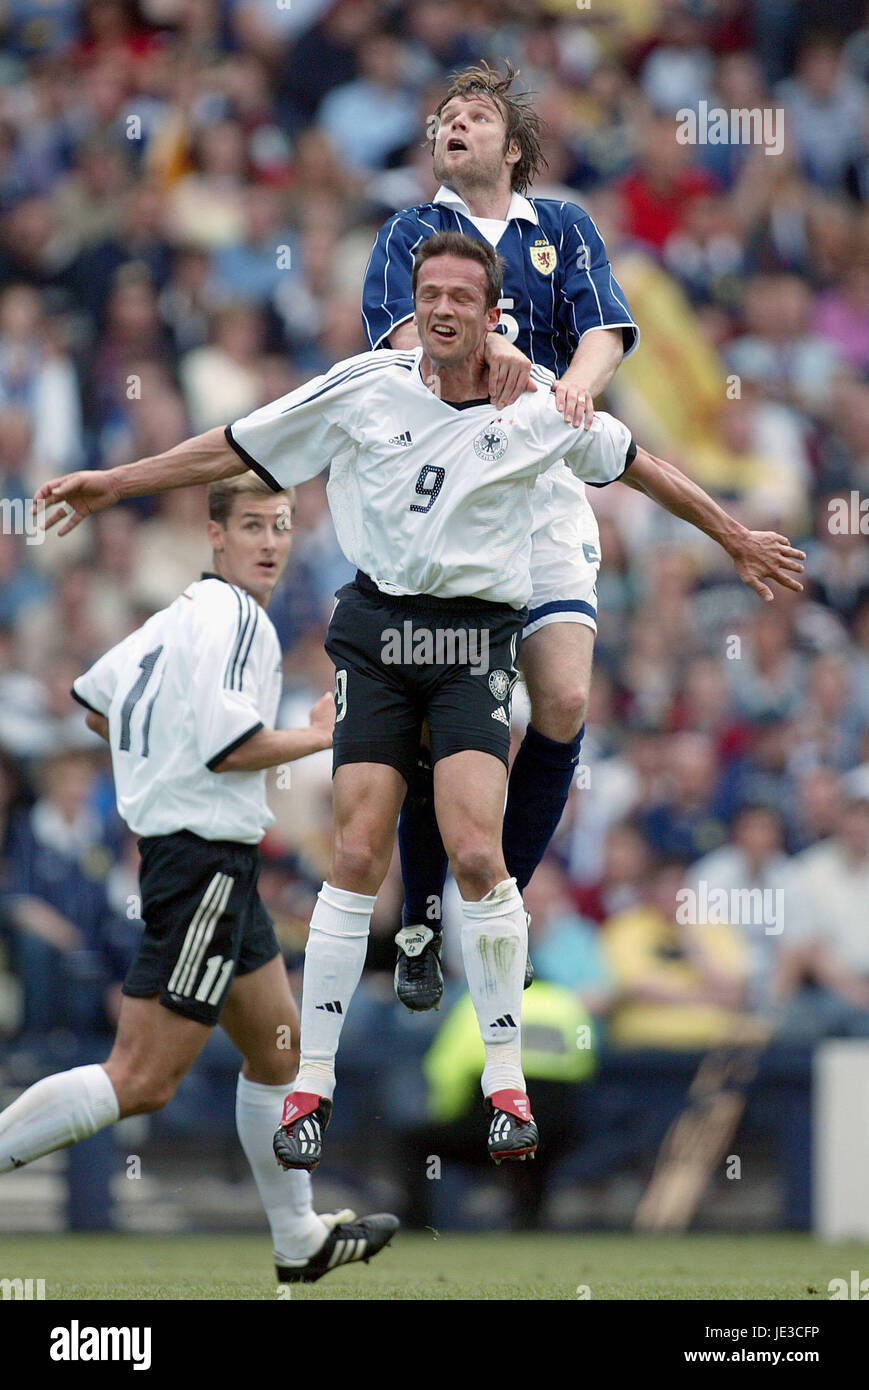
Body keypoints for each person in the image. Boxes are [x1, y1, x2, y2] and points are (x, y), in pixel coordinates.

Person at [34, 230, 805, 1168]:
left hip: (472, 635)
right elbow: (238, 443)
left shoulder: (538, 406)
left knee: (478, 851)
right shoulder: (366, 384)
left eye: (459, 296)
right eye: (427, 292)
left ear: (490, 315)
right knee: (356, 848)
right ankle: (310, 1086)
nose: (440, 308)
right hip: (377, 633)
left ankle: (506, 1082)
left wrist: (732, 538)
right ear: (415, 303)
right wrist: (114, 481)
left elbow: (638, 462)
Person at [0, 473, 399, 1284]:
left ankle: (298, 1240)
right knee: (141, 1079)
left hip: (209, 859)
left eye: (281, 526)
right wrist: (320, 735)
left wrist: (161, 765)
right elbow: (231, 747)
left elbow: (96, 704)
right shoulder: (240, 620)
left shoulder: (176, 616)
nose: (270, 542)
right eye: (252, 526)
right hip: (203, 860)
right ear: (213, 535)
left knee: (278, 1049)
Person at [362, 61, 640, 1011]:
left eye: (475, 115)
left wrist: (579, 384)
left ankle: (500, 905)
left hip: (544, 485)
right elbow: (398, 348)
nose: (453, 125)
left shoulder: (562, 225)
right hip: (449, 494)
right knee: (445, 725)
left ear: (512, 147)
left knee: (561, 702)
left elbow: (605, 327)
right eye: (443, 115)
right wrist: (493, 355)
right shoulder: (409, 232)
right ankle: (422, 921)